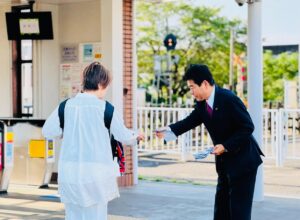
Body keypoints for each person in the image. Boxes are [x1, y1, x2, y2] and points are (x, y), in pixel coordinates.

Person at [156, 64, 264, 220]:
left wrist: (226, 146)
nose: (191, 92)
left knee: (238, 212)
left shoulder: (228, 99)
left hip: (243, 162)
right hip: (224, 162)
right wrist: (167, 131)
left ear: (205, 83)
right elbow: (189, 122)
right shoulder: (202, 104)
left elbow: (247, 127)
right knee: (221, 210)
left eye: (192, 87)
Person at [42, 62, 144, 220]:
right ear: (100, 84)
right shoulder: (106, 109)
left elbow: (47, 131)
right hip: (96, 174)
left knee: (73, 216)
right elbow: (124, 136)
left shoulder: (66, 106)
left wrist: (65, 132)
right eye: (107, 85)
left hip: (70, 174)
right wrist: (136, 136)